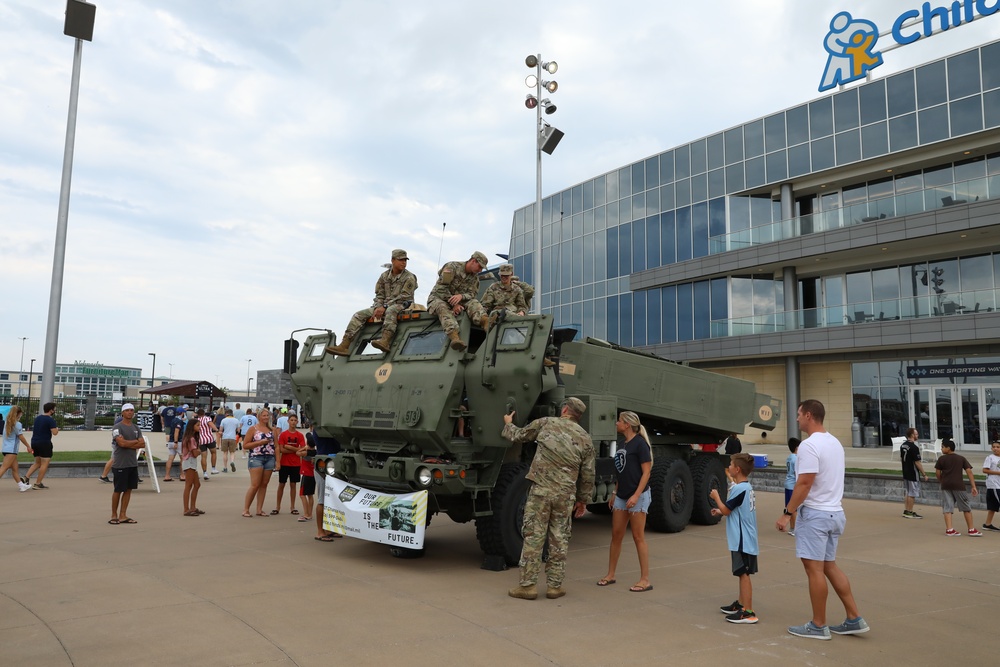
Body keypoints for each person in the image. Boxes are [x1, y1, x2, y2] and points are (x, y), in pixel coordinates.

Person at [776, 399, 868, 640]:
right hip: (835, 512)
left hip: (816, 514)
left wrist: (787, 513)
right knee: (829, 565)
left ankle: (818, 625)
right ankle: (854, 618)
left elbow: (805, 483)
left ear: (808, 415)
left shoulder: (809, 446)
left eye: (798, 414)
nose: (796, 419)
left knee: (814, 570)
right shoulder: (835, 443)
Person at [502, 397, 596, 600]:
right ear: (578, 416)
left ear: (564, 410)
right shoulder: (585, 438)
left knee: (534, 536)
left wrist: (509, 424)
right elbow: (588, 474)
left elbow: (518, 436)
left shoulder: (546, 423)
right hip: (565, 496)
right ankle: (554, 586)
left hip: (541, 493)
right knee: (559, 539)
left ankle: (528, 586)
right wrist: (583, 500)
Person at [597, 411, 652, 593]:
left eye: (619, 421)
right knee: (616, 535)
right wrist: (615, 492)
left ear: (627, 424)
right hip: (621, 495)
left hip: (638, 495)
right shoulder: (623, 444)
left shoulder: (640, 444)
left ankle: (645, 579)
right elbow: (622, 470)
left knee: (638, 537)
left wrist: (636, 496)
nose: (616, 423)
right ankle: (611, 574)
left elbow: (646, 473)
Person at [326, 248, 418, 355]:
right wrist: (379, 306)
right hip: (384, 306)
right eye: (401, 260)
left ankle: (385, 341)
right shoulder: (384, 276)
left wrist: (384, 306)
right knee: (358, 315)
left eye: (405, 260)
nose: (404, 262)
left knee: (391, 310)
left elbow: (404, 296)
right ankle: (345, 344)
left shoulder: (409, 277)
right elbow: (379, 295)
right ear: (393, 260)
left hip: (402, 305)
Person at [710, 453, 759, 624]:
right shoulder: (746, 487)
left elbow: (727, 510)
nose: (729, 466)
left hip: (742, 539)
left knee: (743, 573)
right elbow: (734, 510)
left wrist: (716, 498)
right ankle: (741, 604)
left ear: (737, 469)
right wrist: (720, 510)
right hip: (744, 537)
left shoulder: (740, 489)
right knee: (741, 573)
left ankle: (748, 611)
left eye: (730, 464)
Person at [426, 251, 489, 352]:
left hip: (458, 301)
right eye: (480, 267)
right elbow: (440, 289)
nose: (480, 270)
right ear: (473, 261)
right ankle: (455, 338)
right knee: (442, 307)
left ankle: (485, 322)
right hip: (438, 298)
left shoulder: (475, 278)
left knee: (474, 302)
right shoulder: (452, 267)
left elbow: (472, 294)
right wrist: (455, 304)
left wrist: (461, 296)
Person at [935, 439, 982, 537]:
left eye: (942, 447)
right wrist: (973, 486)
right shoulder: (961, 458)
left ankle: (949, 529)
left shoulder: (941, 459)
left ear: (948, 448)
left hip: (945, 485)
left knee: (947, 507)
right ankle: (971, 529)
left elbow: (938, 473)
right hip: (958, 486)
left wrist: (942, 481)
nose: (941, 449)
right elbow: (969, 472)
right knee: (966, 507)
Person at [109, 404, 143, 524]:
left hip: (132, 463)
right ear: (122, 413)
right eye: (127, 410)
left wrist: (128, 442)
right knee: (118, 490)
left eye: (132, 410)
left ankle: (123, 515)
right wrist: (135, 442)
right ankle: (114, 515)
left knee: (128, 489)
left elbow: (142, 444)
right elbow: (121, 444)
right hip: (120, 463)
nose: (130, 412)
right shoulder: (117, 427)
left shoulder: (136, 428)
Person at [310, 422, 342, 541]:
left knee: (331, 500)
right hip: (323, 465)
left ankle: (328, 529)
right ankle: (320, 531)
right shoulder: (321, 428)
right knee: (322, 499)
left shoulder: (325, 427)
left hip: (331, 463)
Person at [242, 407, 276, 517]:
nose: (266, 417)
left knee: (264, 484)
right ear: (259, 417)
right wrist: (260, 442)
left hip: (270, 458)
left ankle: (259, 509)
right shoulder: (253, 429)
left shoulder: (273, 430)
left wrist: (278, 461)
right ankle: (246, 509)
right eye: (264, 415)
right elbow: (245, 445)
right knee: (255, 484)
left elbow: (277, 446)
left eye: (267, 415)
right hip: (256, 458)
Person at [273, 413, 304, 515]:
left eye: (295, 420)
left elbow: (302, 450)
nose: (293, 422)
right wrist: (296, 450)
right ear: (288, 421)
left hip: (295, 464)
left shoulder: (300, 435)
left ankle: (292, 506)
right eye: (291, 420)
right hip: (284, 463)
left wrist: (290, 448)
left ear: (297, 422)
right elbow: (281, 449)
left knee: (293, 485)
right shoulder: (283, 434)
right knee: (281, 484)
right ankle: (277, 506)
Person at [23, 402, 59, 489]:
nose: (55, 410)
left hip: (34, 442)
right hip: (45, 443)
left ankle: (26, 477)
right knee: (44, 463)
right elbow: (55, 433)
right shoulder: (50, 420)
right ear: (51, 410)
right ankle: (38, 483)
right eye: (54, 409)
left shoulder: (38, 418)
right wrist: (57, 428)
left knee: (37, 462)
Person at [481, 263, 527, 328]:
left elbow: (522, 306)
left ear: (511, 274)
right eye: (502, 275)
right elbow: (486, 304)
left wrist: (522, 312)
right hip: (497, 314)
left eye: (506, 276)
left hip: (513, 315)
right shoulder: (493, 287)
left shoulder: (517, 289)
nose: (503, 277)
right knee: (503, 313)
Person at [1, 406, 33, 492]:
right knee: (4, 468)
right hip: (12, 450)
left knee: (15, 469)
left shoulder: (7, 422)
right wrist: (28, 446)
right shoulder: (17, 424)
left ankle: (21, 485)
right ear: (19, 413)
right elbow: (21, 436)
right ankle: (21, 485)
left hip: (6, 448)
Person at [900, 427, 929, 519]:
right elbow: (917, 462)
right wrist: (924, 474)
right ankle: (909, 511)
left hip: (906, 471)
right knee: (912, 493)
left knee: (908, 492)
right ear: (912, 435)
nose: (917, 435)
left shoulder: (903, 445)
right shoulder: (914, 447)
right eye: (916, 434)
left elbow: (902, 459)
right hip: (913, 472)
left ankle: (906, 510)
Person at [180, 419, 203, 516]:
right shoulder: (191, 439)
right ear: (192, 426)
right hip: (189, 462)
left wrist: (198, 451)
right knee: (188, 485)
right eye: (198, 425)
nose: (200, 427)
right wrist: (199, 451)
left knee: (197, 484)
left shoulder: (191, 438)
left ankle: (192, 507)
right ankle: (186, 509)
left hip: (191, 463)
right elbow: (195, 453)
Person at [298, 421, 316, 524]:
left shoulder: (306, 452)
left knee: (302, 494)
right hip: (313, 475)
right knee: (310, 495)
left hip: (306, 474)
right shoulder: (316, 452)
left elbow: (297, 453)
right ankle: (310, 513)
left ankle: (306, 514)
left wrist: (304, 447)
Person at [196, 408, 219, 480]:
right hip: (209, 438)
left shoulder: (197, 421)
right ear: (204, 413)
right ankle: (213, 468)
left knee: (203, 457)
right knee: (213, 453)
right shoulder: (207, 418)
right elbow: (211, 424)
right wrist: (216, 430)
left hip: (201, 439)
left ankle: (205, 473)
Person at [982, 440, 1000, 531]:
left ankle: (987, 524)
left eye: (998, 447)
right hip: (994, 485)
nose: (996, 449)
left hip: (998, 484)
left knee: (993, 506)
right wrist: (998, 473)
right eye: (994, 447)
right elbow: (985, 470)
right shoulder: (990, 458)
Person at [784, 437, 800, 535]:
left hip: (788, 484)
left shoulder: (789, 457)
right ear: (797, 447)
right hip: (793, 485)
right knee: (793, 508)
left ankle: (792, 528)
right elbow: (796, 473)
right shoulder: (796, 458)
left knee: (789, 507)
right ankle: (794, 528)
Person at [219, 408, 240, 473]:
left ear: (226, 414)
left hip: (225, 437)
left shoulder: (224, 420)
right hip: (233, 437)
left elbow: (221, 430)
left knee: (225, 453)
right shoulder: (236, 420)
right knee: (232, 452)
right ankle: (232, 462)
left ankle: (225, 468)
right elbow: (238, 430)